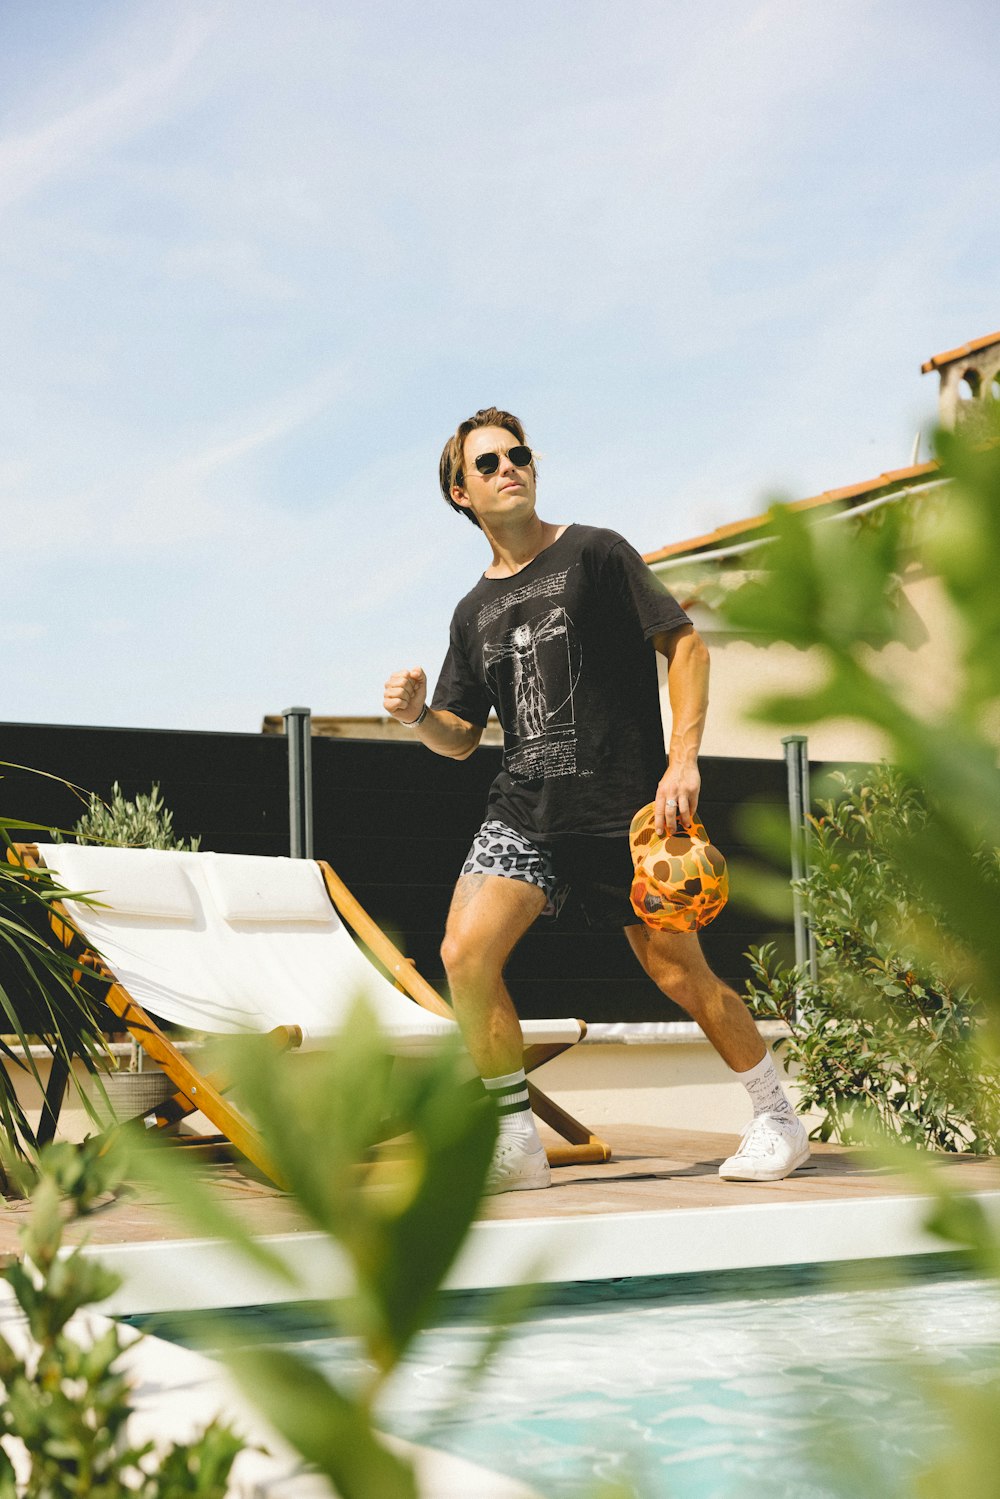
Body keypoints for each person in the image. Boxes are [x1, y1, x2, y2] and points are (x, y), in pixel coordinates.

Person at [383, 407, 809, 1194]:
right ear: (460, 491)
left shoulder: (596, 553)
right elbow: (458, 734)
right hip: (524, 812)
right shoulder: (471, 611)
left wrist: (683, 760)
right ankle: (516, 1141)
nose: (510, 466)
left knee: (682, 977)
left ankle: (776, 1114)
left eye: (518, 453)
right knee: (462, 954)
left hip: (622, 810)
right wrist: (415, 715)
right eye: (488, 462)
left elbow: (684, 644)